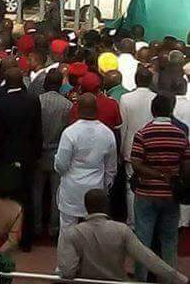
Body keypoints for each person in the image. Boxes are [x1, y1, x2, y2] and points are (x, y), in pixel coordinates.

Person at [57, 189, 188, 284]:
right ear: (106, 206)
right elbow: (148, 258)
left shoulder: (72, 233)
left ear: (86, 207)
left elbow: (68, 271)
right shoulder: (122, 230)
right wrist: (179, 278)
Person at [131, 93, 190, 281]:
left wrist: (156, 174)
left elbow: (136, 163)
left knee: (143, 240)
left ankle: (141, 278)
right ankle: (169, 279)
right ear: (170, 111)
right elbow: (187, 166)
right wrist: (173, 177)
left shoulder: (143, 133)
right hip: (170, 194)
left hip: (146, 193)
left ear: (152, 110)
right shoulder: (181, 134)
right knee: (170, 240)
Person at [0, 67, 42, 250]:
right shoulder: (33, 101)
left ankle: (8, 237)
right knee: (27, 197)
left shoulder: (0, 104)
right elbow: (38, 131)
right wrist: (36, 155)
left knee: (7, 197)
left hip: (7, 157)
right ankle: (27, 240)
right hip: (28, 156)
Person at [55, 94, 117, 230]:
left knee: (67, 227)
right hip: (96, 189)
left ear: (78, 109)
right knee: (95, 229)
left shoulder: (70, 133)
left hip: (72, 187)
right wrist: (105, 186)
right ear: (96, 109)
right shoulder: (107, 133)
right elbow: (111, 168)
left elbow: (61, 165)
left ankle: (67, 252)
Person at [34, 70, 72, 239]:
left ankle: (36, 227)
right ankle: (54, 229)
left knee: (37, 192)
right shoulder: (67, 105)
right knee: (56, 194)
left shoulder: (38, 102)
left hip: (39, 152)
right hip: (57, 153)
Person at [119, 66, 155, 226]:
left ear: (136, 80)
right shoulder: (156, 98)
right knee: (152, 186)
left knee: (130, 187)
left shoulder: (126, 99)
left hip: (131, 147)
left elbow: (123, 127)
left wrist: (121, 150)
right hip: (153, 147)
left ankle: (133, 223)